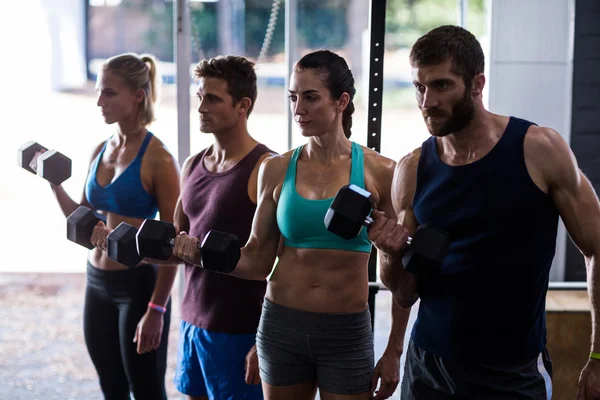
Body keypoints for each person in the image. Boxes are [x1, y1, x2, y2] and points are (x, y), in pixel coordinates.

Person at [367, 25, 600, 399]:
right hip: (429, 366)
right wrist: (388, 253)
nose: (427, 101)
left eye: (441, 86)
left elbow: (597, 248)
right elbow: (405, 290)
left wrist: (598, 355)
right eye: (419, 87)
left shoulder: (539, 150)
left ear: (477, 84)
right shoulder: (413, 169)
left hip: (512, 372)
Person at [172, 50, 412, 400]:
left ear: (341, 101)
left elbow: (403, 273)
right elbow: (256, 260)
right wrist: (200, 255)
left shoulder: (382, 172)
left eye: (311, 97)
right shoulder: (276, 169)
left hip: (345, 330)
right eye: (293, 97)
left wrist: (394, 350)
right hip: (281, 326)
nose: (298, 108)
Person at [33, 53, 180, 399]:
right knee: (111, 388)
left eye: (109, 93)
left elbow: (174, 244)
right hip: (97, 283)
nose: (99, 101)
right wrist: (55, 184)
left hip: (140, 286)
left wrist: (156, 308)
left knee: (146, 389)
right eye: (99, 92)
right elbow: (84, 225)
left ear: (138, 96)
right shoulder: (101, 149)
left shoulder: (159, 159)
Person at [167, 55, 275, 400]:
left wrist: (265, 341)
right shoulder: (192, 165)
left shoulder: (265, 168)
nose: (201, 107)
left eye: (212, 99)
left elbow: (281, 264)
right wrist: (122, 244)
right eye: (200, 97)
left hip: (241, 331)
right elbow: (177, 242)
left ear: (243, 105)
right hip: (193, 322)